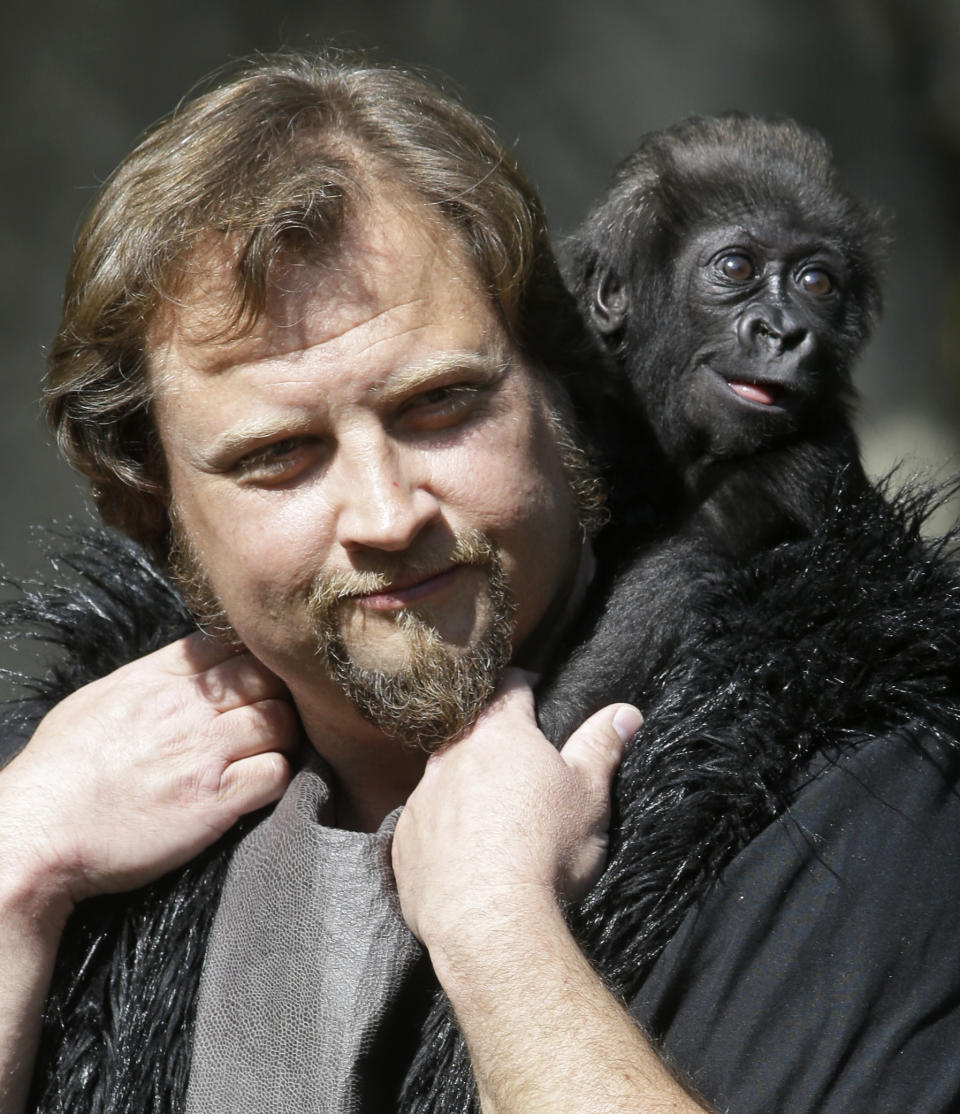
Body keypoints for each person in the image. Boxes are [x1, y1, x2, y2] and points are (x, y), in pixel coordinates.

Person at [2, 52, 960, 1114]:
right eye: (278, 455)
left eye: (440, 405)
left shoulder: (860, 795)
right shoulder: (58, 808)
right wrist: (16, 878)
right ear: (153, 505)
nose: (386, 514)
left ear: (563, 394)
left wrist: (503, 936)